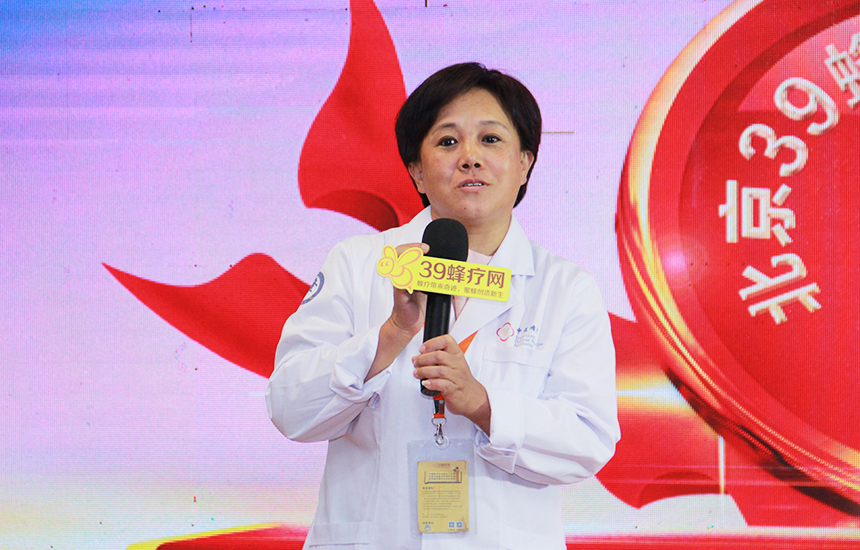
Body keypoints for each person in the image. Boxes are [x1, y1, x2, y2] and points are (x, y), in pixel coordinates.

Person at [266, 62, 620, 549]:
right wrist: (390, 335)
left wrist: (483, 405)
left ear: (524, 163)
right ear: (416, 170)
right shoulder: (358, 264)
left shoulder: (564, 288)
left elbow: (588, 441)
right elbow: (290, 409)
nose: (470, 157)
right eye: (448, 142)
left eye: (491, 139)